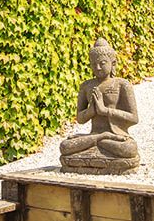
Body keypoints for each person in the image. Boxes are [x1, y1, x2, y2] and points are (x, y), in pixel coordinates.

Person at [60, 37, 139, 169]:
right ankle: (101, 138)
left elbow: (134, 118)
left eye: (102, 63)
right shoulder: (86, 86)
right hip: (95, 134)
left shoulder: (122, 85)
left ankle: (100, 141)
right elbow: (80, 119)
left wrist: (105, 111)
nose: (97, 67)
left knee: (130, 149)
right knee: (65, 147)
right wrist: (90, 112)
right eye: (93, 64)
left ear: (113, 64)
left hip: (117, 136)